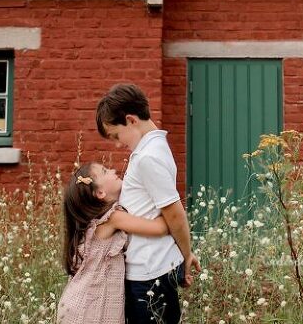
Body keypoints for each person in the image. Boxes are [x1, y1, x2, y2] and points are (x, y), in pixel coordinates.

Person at [96, 83, 201, 324]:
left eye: (116, 135)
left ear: (131, 120)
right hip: (152, 268)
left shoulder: (148, 157)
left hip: (148, 272)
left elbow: (174, 213)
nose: (117, 144)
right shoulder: (154, 148)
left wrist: (186, 256)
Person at [57, 162, 169, 324]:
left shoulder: (94, 223)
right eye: (105, 171)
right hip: (89, 311)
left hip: (79, 305)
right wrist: (168, 208)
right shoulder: (113, 218)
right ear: (100, 192)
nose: (113, 170)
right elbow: (160, 228)